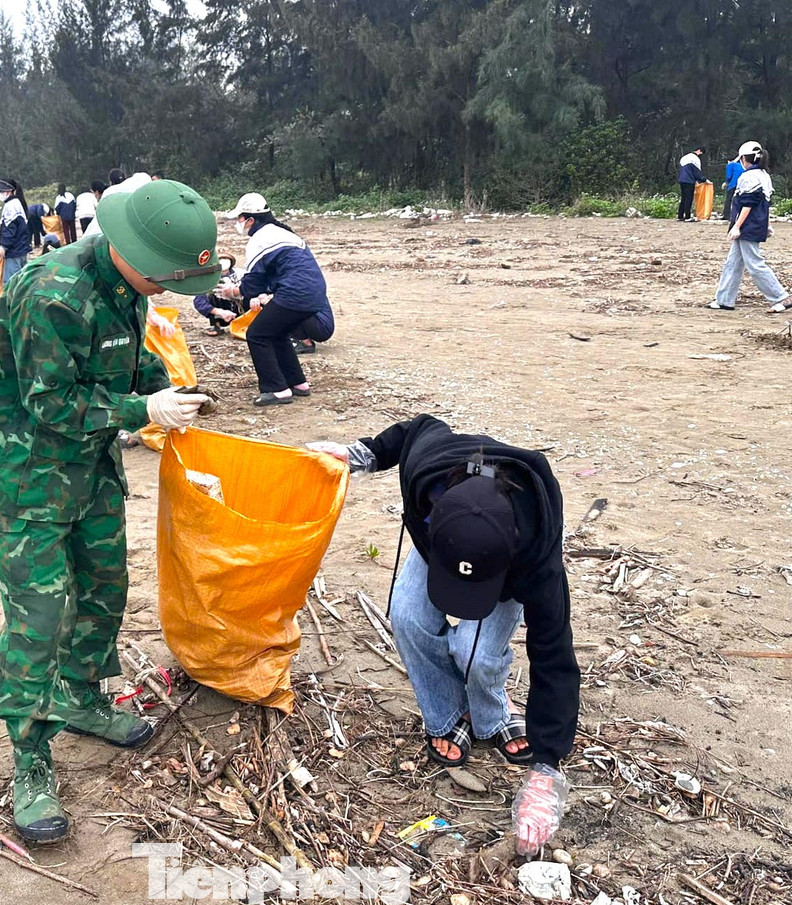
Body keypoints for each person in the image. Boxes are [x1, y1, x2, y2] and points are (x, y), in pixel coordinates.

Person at [0, 178, 220, 843]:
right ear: (137, 257)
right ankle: (29, 757)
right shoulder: (53, 294)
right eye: (166, 278)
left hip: (91, 472)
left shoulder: (124, 288)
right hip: (29, 479)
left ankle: (80, 698)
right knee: (40, 618)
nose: (168, 291)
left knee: (107, 588)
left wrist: (166, 388)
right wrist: (144, 412)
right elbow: (51, 407)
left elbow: (126, 357)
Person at [306, 414, 579, 857]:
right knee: (409, 617)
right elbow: (417, 427)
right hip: (447, 547)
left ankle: (490, 715)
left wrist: (547, 769)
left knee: (477, 654)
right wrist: (363, 454)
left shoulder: (537, 557)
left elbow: (554, 654)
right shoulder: (427, 473)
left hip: (503, 563)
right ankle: (449, 717)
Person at [220, 192, 336, 406]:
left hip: (295, 294)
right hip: (315, 293)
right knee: (277, 332)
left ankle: (277, 389)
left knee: (256, 334)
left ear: (250, 219)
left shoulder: (259, 239)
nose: (238, 224)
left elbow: (253, 283)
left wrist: (232, 292)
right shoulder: (283, 233)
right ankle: (298, 383)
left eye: (239, 219)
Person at [709, 141, 792, 313]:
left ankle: (780, 297)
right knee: (732, 263)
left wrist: (737, 226)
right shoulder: (764, 175)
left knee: (754, 263)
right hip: (755, 224)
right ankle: (724, 300)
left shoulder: (748, 177)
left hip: (748, 227)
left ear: (743, 159)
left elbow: (747, 204)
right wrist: (767, 224)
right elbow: (765, 203)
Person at [0, 178, 33, 285]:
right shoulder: (17, 203)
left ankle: (11, 302)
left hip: (14, 251)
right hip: (22, 248)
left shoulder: (10, 206)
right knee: (21, 281)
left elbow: (9, 229)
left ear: (8, 192)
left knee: (10, 283)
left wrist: (4, 246)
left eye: (1, 192)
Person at [192, 254, 242, 335]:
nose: (224, 261)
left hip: (239, 307)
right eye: (221, 258)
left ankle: (245, 323)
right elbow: (199, 301)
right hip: (220, 310)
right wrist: (218, 311)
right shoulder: (207, 279)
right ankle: (216, 325)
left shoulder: (240, 274)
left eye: (226, 258)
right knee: (210, 296)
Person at [677, 147, 708, 221]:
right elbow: (697, 173)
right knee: (689, 198)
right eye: (701, 153)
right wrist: (704, 180)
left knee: (683, 198)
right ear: (699, 151)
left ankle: (680, 216)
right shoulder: (695, 159)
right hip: (689, 181)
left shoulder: (684, 157)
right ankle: (687, 216)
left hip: (682, 180)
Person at [721, 155, 744, 221]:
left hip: (733, 184)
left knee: (729, 199)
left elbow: (729, 175)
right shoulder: (741, 165)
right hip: (742, 184)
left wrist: (726, 182)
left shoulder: (730, 164)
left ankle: (726, 215)